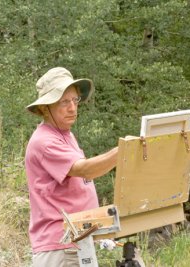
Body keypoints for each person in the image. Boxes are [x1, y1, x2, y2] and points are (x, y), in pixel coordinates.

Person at [25, 67, 118, 266]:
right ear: (44, 108)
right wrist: (123, 151)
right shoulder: (46, 141)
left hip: (74, 244)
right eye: (64, 102)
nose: (72, 108)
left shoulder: (66, 135)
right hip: (60, 249)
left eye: (75, 101)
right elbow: (85, 170)